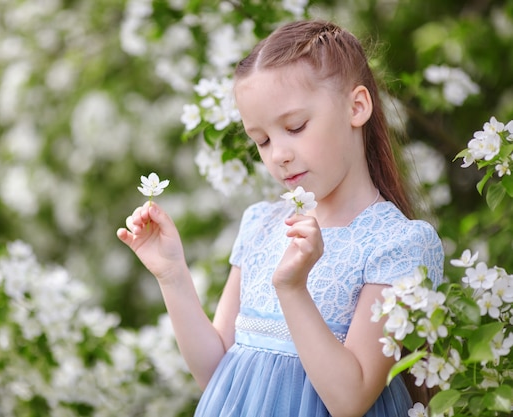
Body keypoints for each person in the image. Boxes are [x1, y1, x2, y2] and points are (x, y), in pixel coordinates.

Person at [117, 19, 444, 417]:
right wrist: (172, 274)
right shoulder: (262, 224)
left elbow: (350, 398)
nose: (279, 155)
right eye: (263, 140)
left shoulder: (397, 243)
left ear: (356, 107)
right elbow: (218, 374)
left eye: (295, 127)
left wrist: (293, 289)